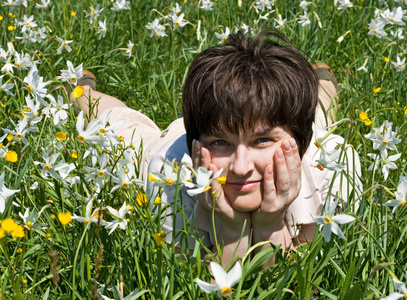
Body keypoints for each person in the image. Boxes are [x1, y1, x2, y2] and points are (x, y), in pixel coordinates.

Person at [70, 30, 361, 266]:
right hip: (173, 143)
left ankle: (324, 88)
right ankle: (82, 90)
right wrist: (232, 231)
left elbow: (299, 276)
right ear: (197, 146)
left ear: (300, 142)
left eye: (263, 141)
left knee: (316, 114)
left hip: (302, 138)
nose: (241, 167)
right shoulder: (170, 174)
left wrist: (271, 223)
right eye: (220, 143)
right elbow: (194, 281)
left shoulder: (337, 172)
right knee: (118, 126)